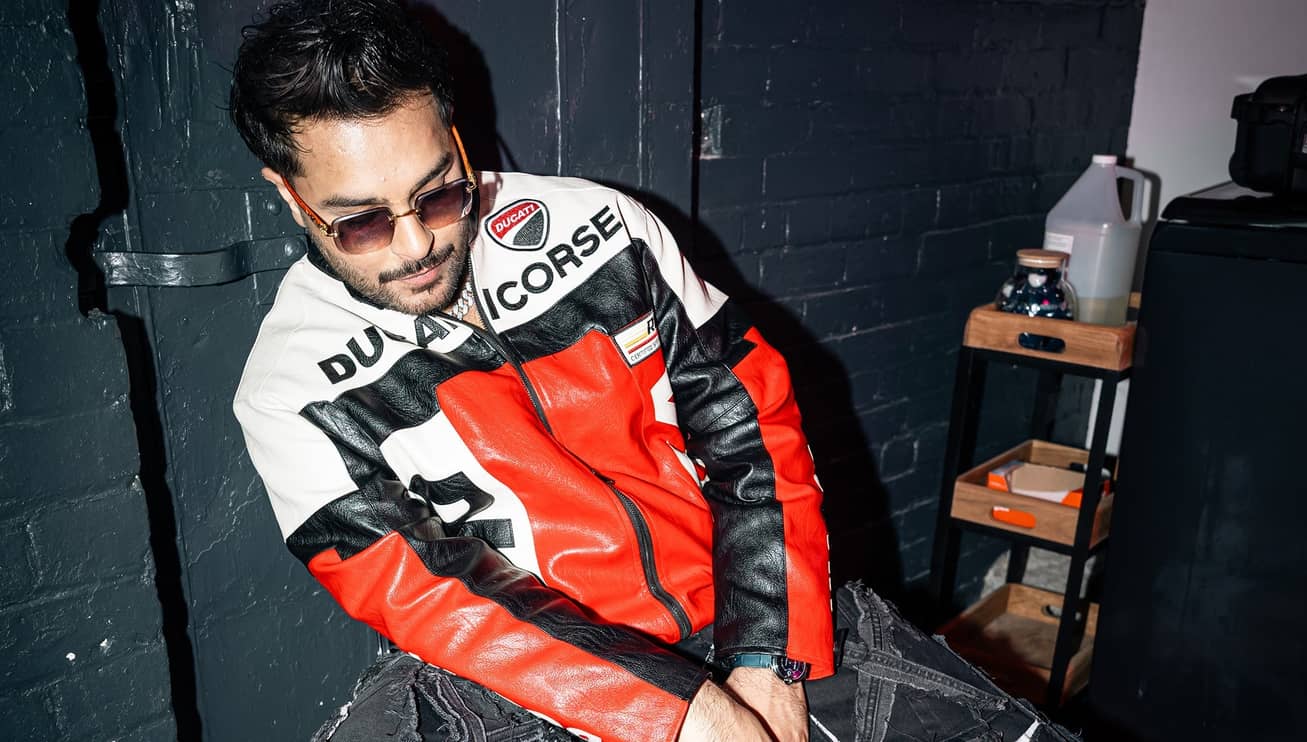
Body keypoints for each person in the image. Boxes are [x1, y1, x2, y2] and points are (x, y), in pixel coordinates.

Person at [229, 2, 1079, 741]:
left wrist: (767, 661)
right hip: (526, 676)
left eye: (440, 193)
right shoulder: (290, 389)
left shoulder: (603, 226)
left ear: (455, 140)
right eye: (362, 223)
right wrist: (681, 712)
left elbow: (749, 428)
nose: (417, 242)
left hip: (739, 607)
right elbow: (432, 597)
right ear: (290, 195)